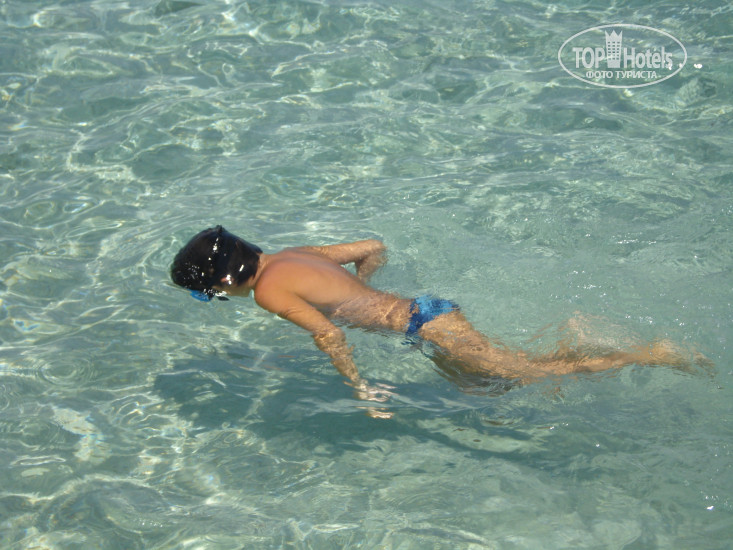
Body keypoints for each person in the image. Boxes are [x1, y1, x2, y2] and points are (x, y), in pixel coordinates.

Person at [170, 225, 696, 404]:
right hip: (424, 315)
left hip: (424, 324)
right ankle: (570, 341)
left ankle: (650, 355)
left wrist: (359, 387)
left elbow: (328, 336)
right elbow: (373, 246)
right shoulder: (295, 254)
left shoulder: (268, 292)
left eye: (208, 294)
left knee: (533, 374)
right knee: (481, 388)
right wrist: (362, 292)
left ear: (224, 282)